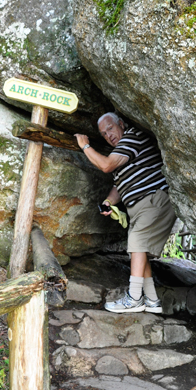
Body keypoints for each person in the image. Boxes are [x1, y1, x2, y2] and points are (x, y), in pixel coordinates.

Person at [74, 112, 176, 314]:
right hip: (138, 206)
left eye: (110, 128)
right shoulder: (122, 152)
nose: (108, 135)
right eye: (104, 134)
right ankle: (152, 299)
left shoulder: (133, 137)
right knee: (140, 251)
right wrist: (108, 202)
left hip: (153, 199)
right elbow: (119, 186)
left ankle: (134, 298)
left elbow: (106, 165)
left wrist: (85, 146)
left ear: (121, 123)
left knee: (138, 242)